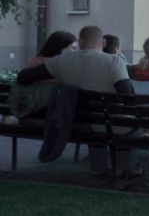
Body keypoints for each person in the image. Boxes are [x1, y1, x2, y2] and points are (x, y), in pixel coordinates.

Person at [17, 25, 139, 177]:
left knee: (96, 122)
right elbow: (128, 97)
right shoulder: (114, 61)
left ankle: (99, 168)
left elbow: (23, 77)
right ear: (103, 43)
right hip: (110, 124)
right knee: (128, 123)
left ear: (80, 42)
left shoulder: (61, 61)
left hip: (76, 123)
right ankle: (127, 167)